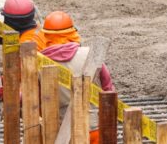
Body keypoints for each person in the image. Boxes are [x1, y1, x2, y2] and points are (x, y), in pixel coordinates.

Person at [40, 11, 114, 144]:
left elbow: (34, 99)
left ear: (46, 36)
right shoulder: (91, 55)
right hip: (95, 127)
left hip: (63, 133)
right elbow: (108, 89)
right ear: (72, 32)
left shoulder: (39, 63)